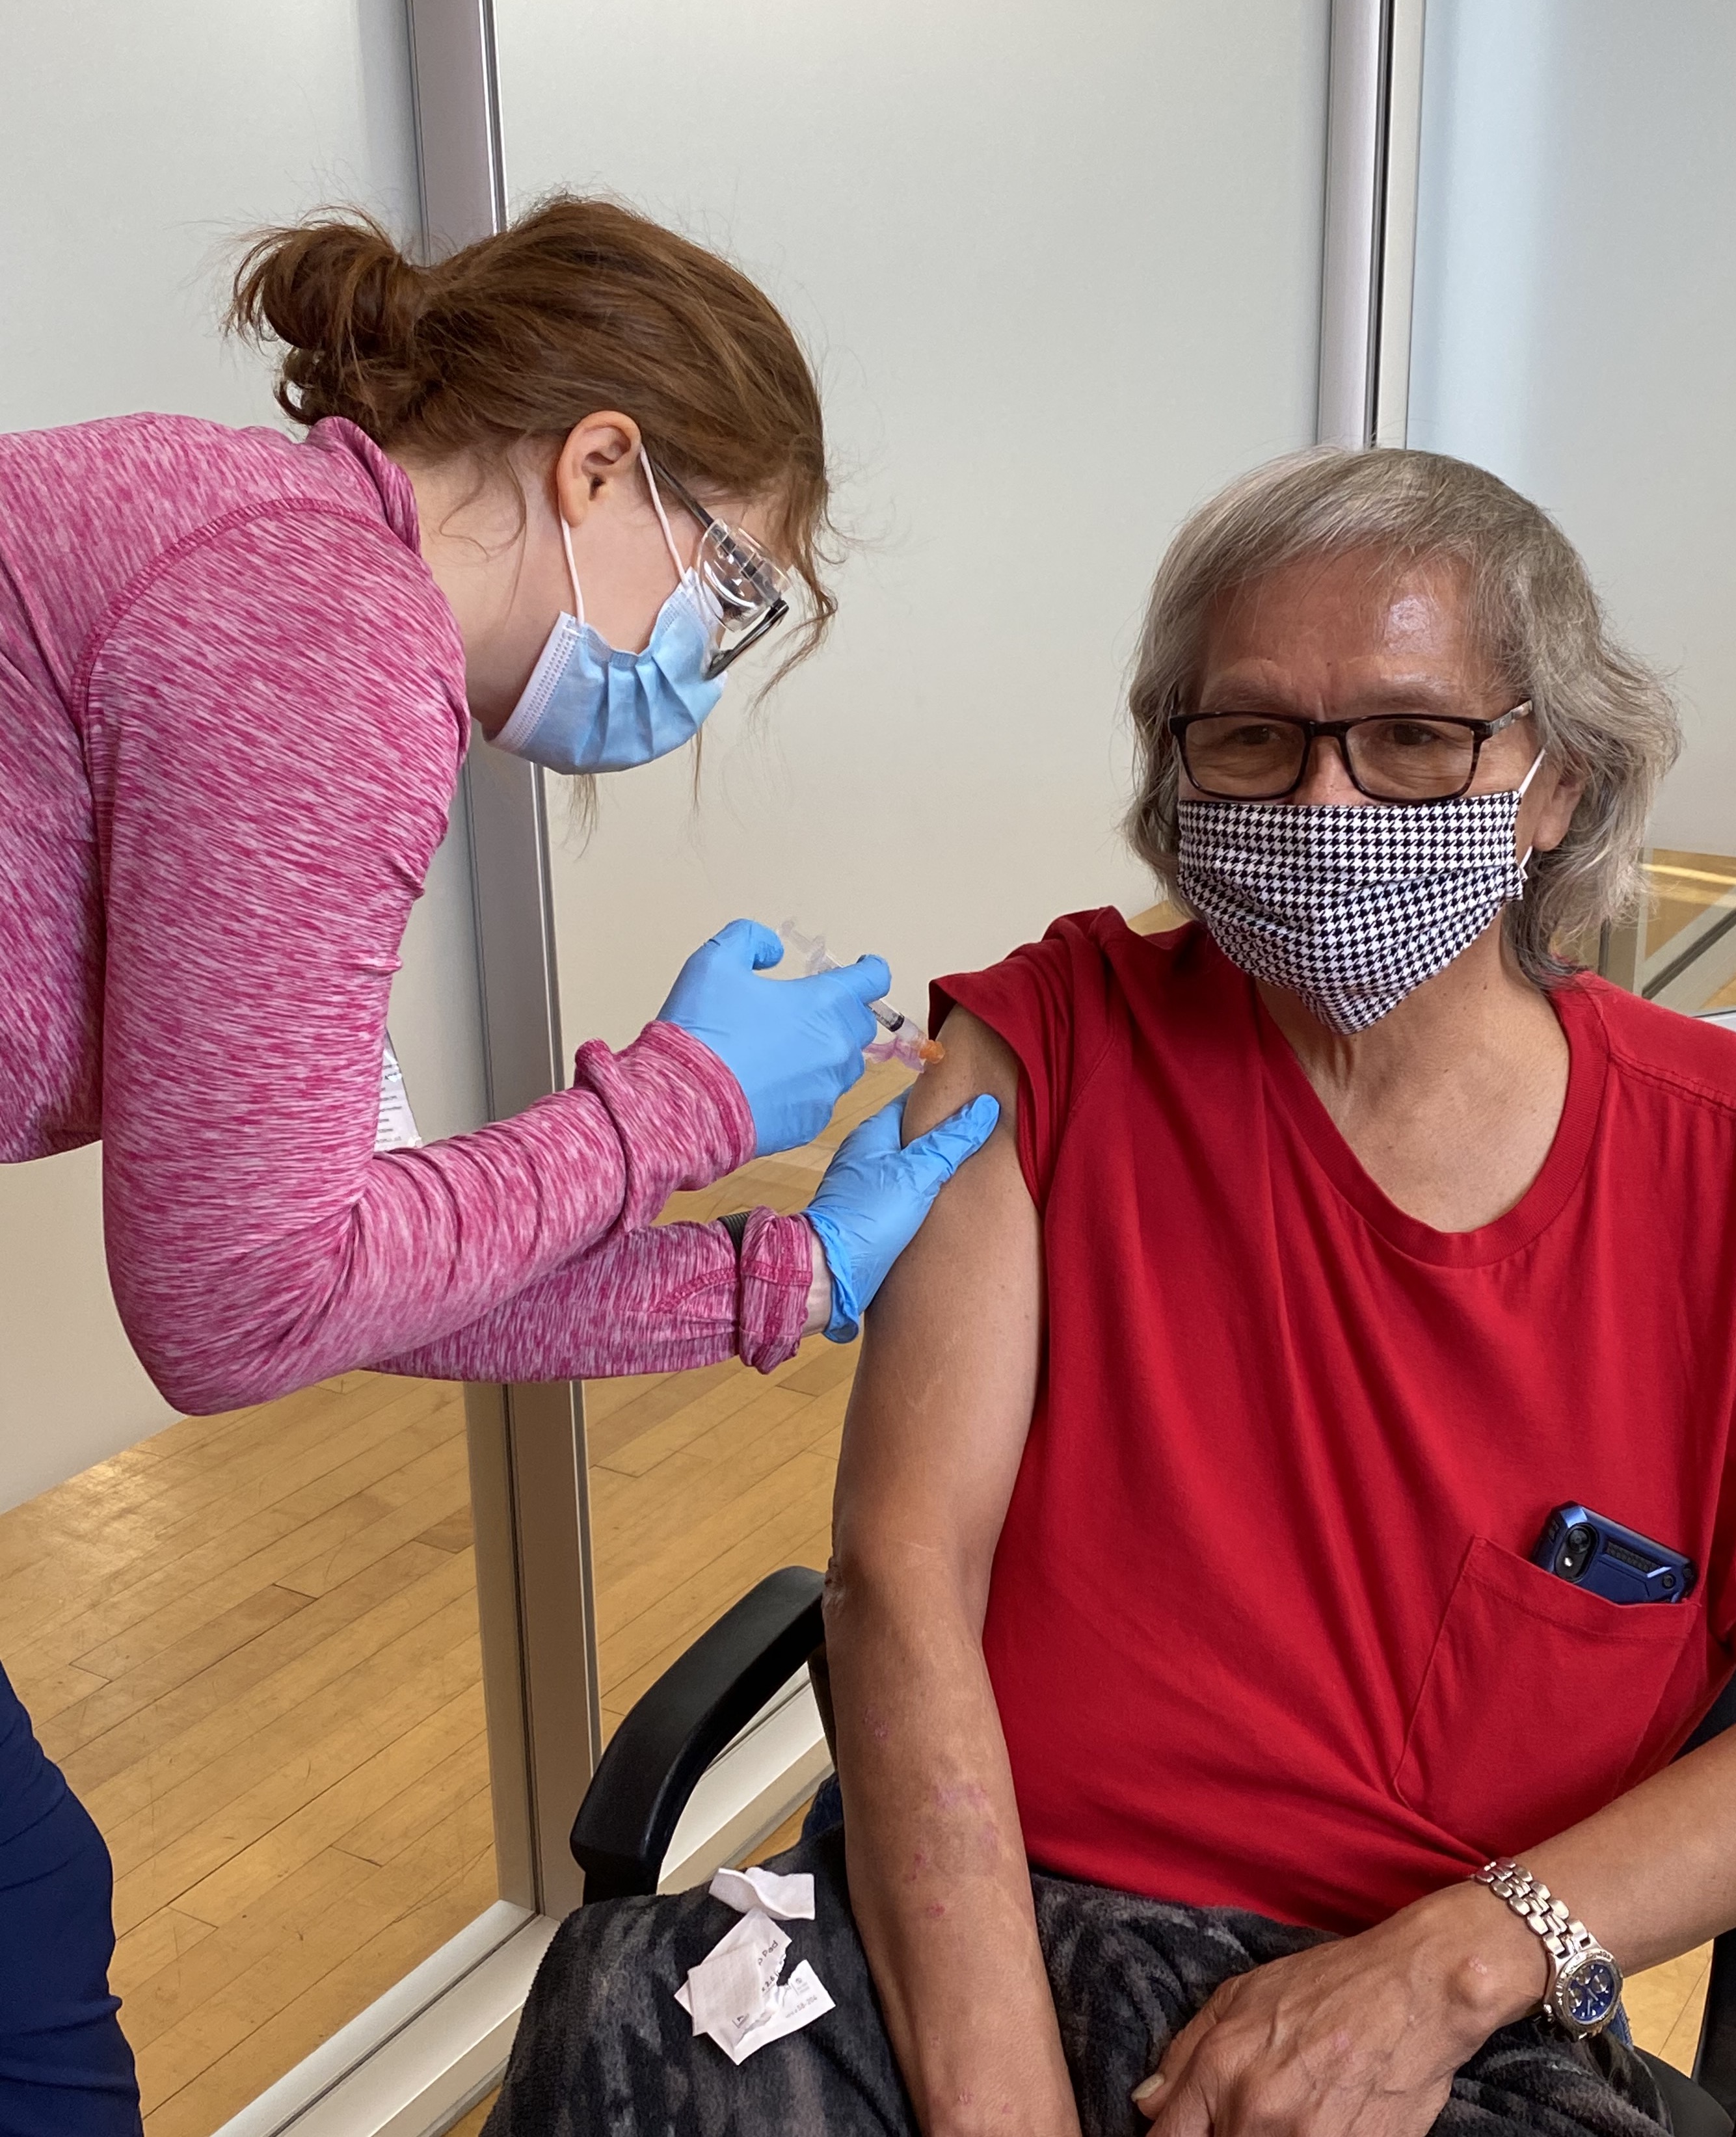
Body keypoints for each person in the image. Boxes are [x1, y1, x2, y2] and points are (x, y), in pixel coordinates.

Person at [492, 448, 1736, 2136]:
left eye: (1414, 738)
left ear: (1555, 776)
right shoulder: (1042, 1054)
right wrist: (1004, 2114)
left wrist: (1457, 1965)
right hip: (967, 1938)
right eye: (1253, 737)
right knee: (623, 2032)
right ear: (1178, 775)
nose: (1326, 806)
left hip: (1426, 2006)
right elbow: (902, 1583)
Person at [0, 199, 995, 2132]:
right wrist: (682, 1110)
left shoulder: (269, 579)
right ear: (599, 463)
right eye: (735, 588)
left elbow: (355, 1256)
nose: (708, 658)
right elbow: (236, 1309)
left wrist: (775, 1277)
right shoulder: (320, 635)